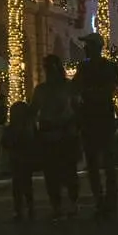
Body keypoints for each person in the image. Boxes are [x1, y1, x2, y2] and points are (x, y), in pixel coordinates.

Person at [75, 32, 118, 217]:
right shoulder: (85, 68)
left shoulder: (105, 67)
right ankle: (101, 200)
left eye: (88, 45)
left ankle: (108, 201)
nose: (85, 48)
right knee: (94, 163)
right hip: (91, 118)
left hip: (100, 117)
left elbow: (110, 88)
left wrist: (91, 93)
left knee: (105, 162)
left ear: (95, 47)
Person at [35, 57, 81, 217]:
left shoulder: (68, 87)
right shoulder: (41, 90)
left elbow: (77, 108)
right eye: (46, 68)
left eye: (50, 68)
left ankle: (72, 202)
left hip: (66, 134)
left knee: (68, 171)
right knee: (51, 173)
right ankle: (56, 205)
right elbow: (34, 110)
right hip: (49, 135)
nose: (48, 72)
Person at [6, 95, 39, 220]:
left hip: (18, 158)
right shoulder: (28, 127)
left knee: (18, 185)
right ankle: (28, 207)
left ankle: (19, 209)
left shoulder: (15, 127)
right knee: (26, 184)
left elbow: (5, 142)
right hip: (24, 158)